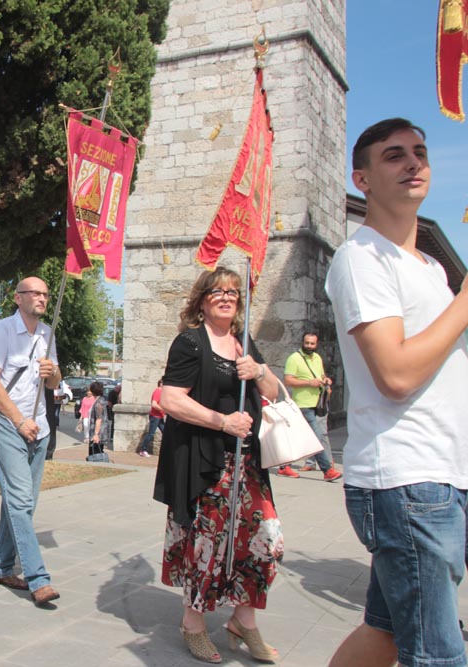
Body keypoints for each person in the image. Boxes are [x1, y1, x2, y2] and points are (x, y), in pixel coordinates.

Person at [325, 119, 468, 667]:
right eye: (394, 155)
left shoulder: (431, 268)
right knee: (437, 654)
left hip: (443, 470)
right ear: (361, 179)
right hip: (409, 478)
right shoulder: (362, 257)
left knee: (382, 635)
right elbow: (396, 374)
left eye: (421, 152)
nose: (413, 163)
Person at [152, 267, 281, 664]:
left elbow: (274, 392)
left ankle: (243, 620)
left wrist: (258, 371)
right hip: (206, 462)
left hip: (248, 464)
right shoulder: (191, 342)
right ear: (202, 300)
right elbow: (171, 399)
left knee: (264, 540)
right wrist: (223, 422)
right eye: (217, 291)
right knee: (205, 544)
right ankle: (193, 623)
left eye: (232, 292)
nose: (226, 297)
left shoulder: (244, 341)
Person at [0, 276, 62, 607]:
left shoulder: (47, 333)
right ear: (18, 298)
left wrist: (52, 372)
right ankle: (38, 578)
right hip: (9, 424)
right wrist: (18, 420)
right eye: (35, 293)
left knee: (23, 502)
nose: (42, 298)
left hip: (39, 427)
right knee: (19, 500)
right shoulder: (2, 330)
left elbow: (54, 383)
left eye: (46, 294)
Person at [282, 332, 342, 482]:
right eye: (307, 343)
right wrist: (309, 383)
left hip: (318, 404)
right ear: (302, 343)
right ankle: (327, 470)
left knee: (297, 437)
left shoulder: (317, 358)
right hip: (303, 404)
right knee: (316, 438)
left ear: (316, 344)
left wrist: (325, 380)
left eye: (312, 343)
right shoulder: (294, 359)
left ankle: (284, 466)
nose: (309, 346)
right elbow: (288, 380)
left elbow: (321, 376)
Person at [137, 379, 165, 457]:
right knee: (151, 434)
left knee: (165, 432)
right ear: (161, 384)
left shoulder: (161, 392)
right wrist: (163, 409)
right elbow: (154, 404)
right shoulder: (158, 392)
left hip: (159, 416)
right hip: (155, 416)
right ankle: (143, 450)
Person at [87, 381, 110, 457]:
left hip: (98, 433)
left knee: (95, 455)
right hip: (100, 431)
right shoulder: (101, 400)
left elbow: (99, 419)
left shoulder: (99, 403)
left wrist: (96, 434)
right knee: (96, 453)